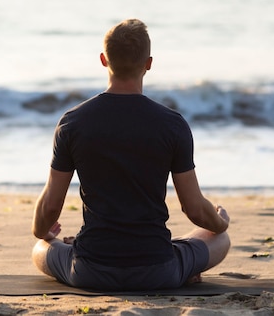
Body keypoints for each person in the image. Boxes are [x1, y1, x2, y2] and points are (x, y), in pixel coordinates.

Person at [32, 18, 230, 291]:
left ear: (103, 60)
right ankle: (181, 264)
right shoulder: (172, 124)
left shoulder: (73, 123)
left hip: (91, 271)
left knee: (40, 247)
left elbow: (51, 207)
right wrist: (220, 222)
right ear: (148, 63)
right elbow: (194, 209)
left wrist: (42, 233)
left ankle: (67, 245)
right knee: (219, 238)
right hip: (159, 271)